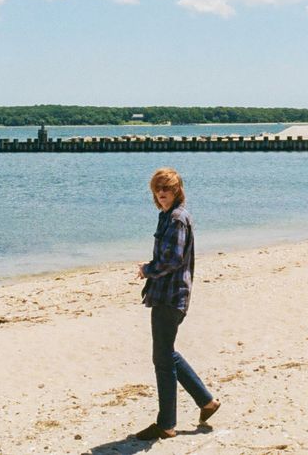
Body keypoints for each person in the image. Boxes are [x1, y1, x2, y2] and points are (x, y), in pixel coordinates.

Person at [134, 167, 220, 441]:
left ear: (177, 190)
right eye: (158, 189)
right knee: (166, 353)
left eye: (167, 189)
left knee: (162, 358)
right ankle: (206, 402)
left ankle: (167, 424)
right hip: (166, 295)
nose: (162, 193)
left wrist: (147, 269)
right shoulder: (167, 217)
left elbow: (172, 260)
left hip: (171, 297)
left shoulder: (177, 218)